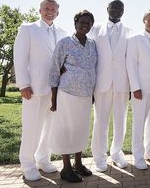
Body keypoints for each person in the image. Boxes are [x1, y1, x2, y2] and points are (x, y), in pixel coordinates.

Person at [13, 0, 67, 181]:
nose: (49, 11)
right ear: (40, 10)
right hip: (34, 88)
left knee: (50, 128)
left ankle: (43, 159)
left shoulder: (62, 32)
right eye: (46, 8)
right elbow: (19, 58)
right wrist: (23, 84)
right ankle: (27, 164)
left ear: (58, 13)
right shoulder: (28, 29)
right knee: (31, 128)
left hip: (55, 90)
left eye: (53, 9)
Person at [49, 10, 97, 183]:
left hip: (86, 95)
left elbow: (93, 68)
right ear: (75, 23)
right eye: (82, 22)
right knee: (66, 128)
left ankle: (78, 163)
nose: (85, 25)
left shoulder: (92, 44)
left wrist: (92, 93)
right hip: (67, 93)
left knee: (81, 129)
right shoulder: (65, 43)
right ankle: (66, 167)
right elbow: (55, 70)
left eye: (88, 23)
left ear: (91, 25)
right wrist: (54, 98)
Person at [90, 0, 132, 171]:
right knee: (100, 121)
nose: (116, 10)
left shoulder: (130, 31)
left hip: (122, 84)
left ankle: (116, 152)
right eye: (113, 7)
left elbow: (130, 58)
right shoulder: (95, 29)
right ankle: (99, 157)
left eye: (120, 8)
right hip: (101, 84)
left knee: (121, 120)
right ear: (107, 8)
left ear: (123, 11)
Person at [126, 10, 150, 170]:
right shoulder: (135, 39)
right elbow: (130, 64)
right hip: (140, 89)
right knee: (139, 122)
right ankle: (138, 155)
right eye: (149, 20)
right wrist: (135, 87)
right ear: (144, 21)